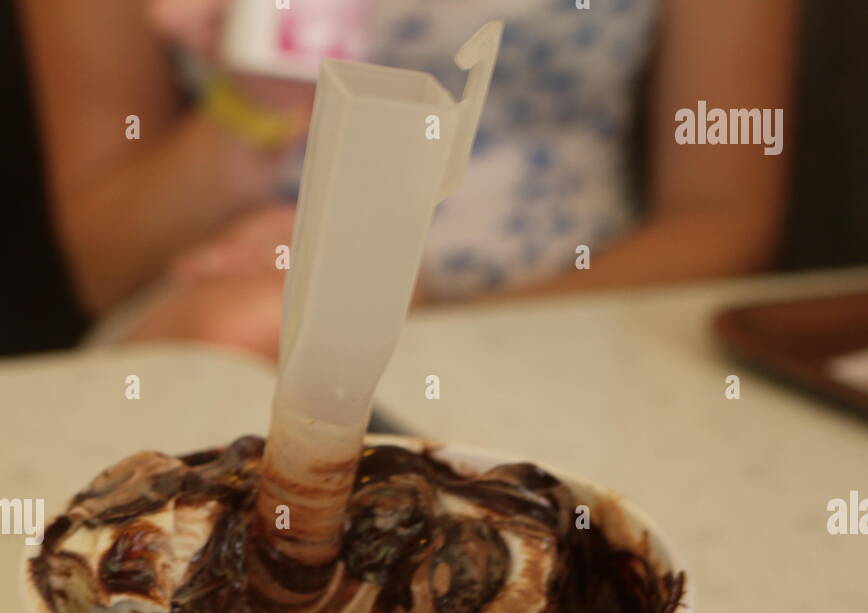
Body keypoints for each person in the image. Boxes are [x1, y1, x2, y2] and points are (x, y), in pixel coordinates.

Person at [19, 0, 800, 360]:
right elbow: (104, 264)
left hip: (586, 321)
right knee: (255, 324)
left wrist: (409, 327)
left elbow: (724, 213)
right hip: (246, 316)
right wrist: (253, 102)